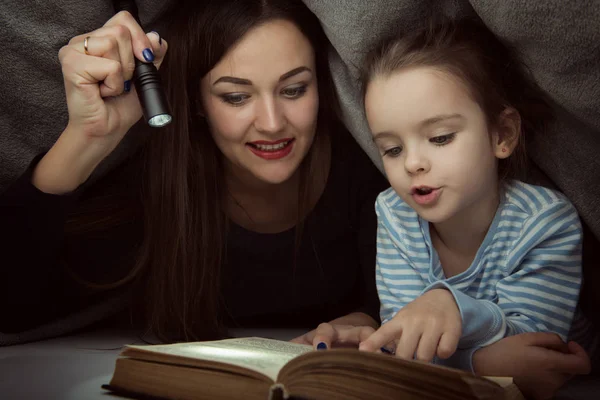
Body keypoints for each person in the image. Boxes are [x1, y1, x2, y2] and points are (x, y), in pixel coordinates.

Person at [0, 0, 389, 343]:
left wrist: (366, 318)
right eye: (236, 96)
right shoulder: (160, 193)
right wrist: (85, 139)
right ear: (199, 102)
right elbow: (12, 307)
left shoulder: (369, 179)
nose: (272, 123)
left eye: (294, 89)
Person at [352, 17, 592, 397]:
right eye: (393, 149)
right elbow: (402, 349)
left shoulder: (544, 222)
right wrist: (480, 363)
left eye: (441, 137)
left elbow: (538, 351)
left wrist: (452, 307)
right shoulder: (394, 214)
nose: (413, 163)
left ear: (502, 134)